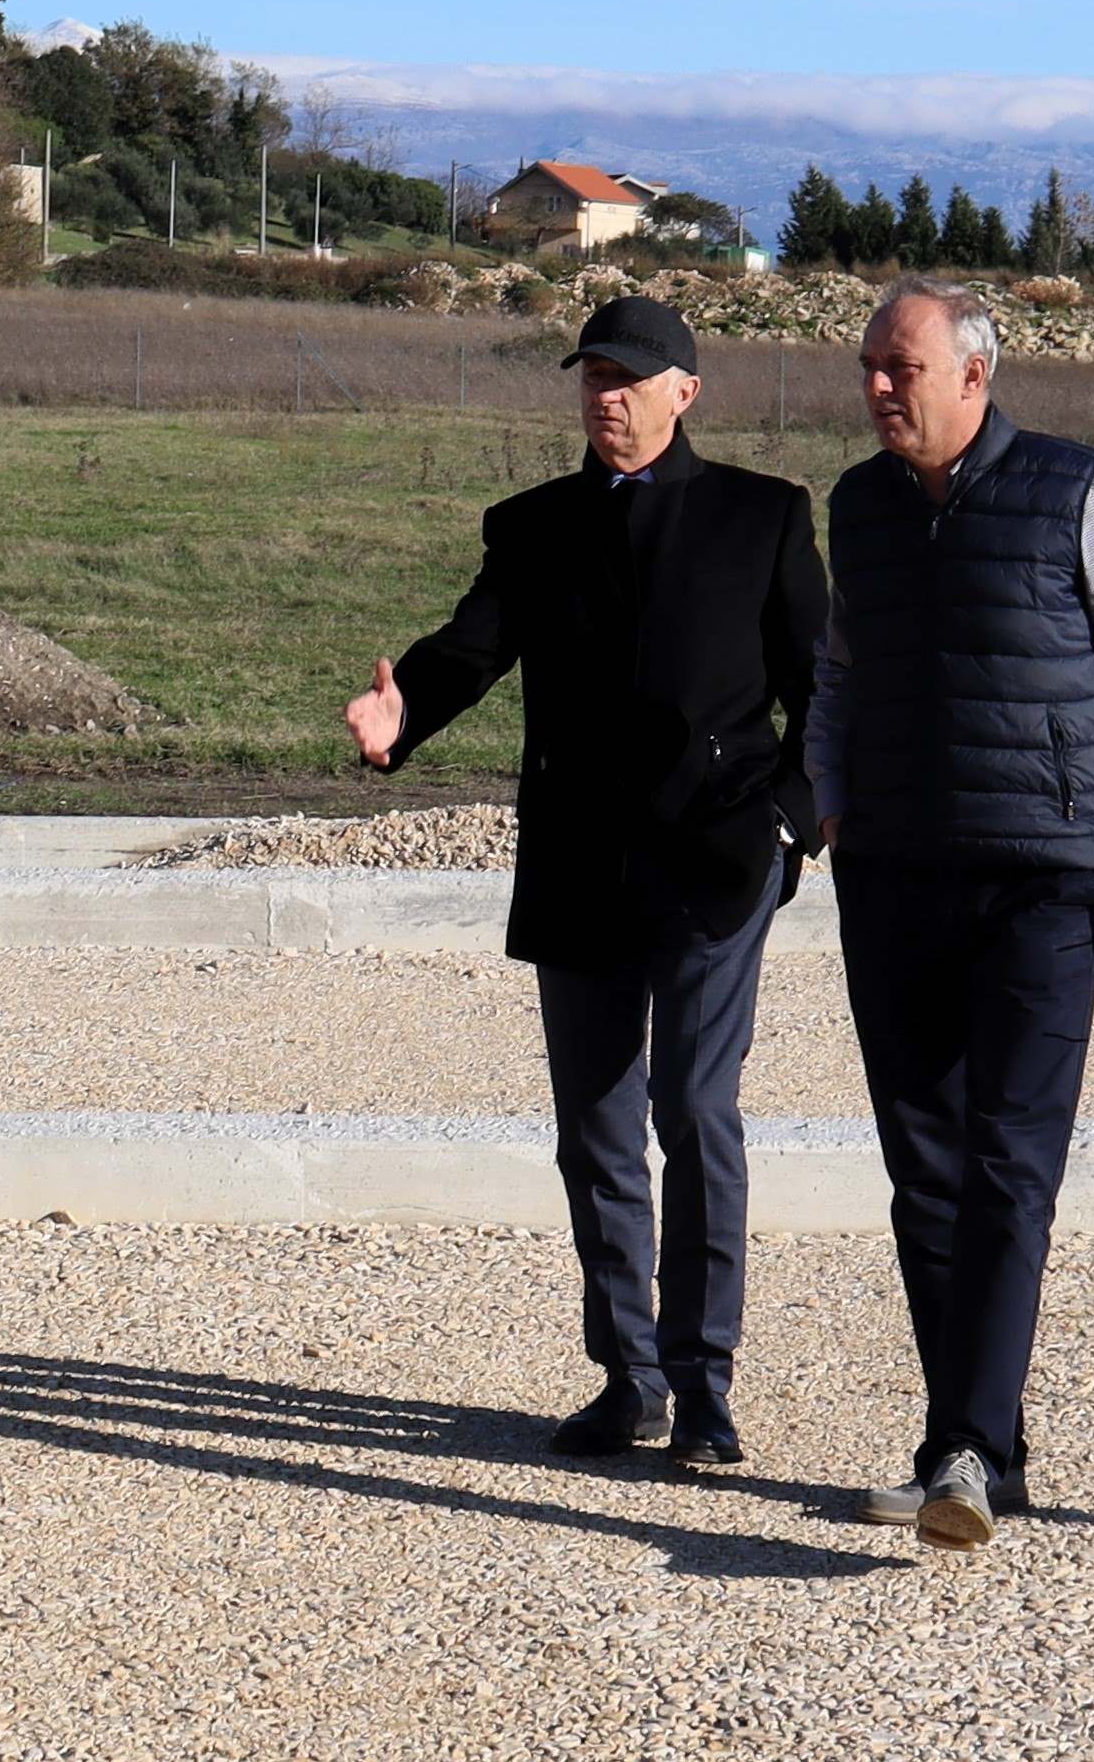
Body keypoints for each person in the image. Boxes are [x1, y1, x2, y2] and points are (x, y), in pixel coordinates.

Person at [342, 294, 822, 1468]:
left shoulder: (759, 517)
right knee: (595, 1128)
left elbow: (824, 686)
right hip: (579, 864)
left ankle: (705, 1389)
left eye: (629, 377)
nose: (606, 396)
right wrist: (400, 712)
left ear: (684, 391)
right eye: (591, 376)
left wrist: (791, 825)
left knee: (693, 1113)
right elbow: (470, 647)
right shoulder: (534, 524)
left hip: (715, 860)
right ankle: (631, 1376)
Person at [812, 280, 1094, 1549]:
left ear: (973, 377)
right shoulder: (858, 506)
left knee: (1006, 1165)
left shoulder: (1073, 491)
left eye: (900, 366)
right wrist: (823, 793)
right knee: (922, 1172)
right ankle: (978, 1448)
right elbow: (838, 670)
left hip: (1037, 879)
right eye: (869, 365)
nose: (878, 387)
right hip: (888, 874)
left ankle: (965, 1447)